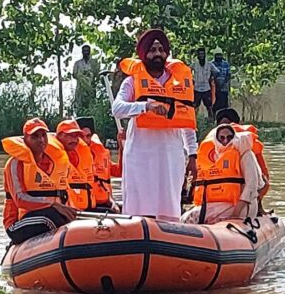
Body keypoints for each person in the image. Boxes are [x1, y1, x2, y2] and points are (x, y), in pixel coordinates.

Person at [112, 29, 198, 222]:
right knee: (139, 208)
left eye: (161, 49)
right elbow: (117, 108)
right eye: (152, 50)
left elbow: (188, 122)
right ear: (143, 54)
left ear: (166, 53)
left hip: (170, 155)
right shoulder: (132, 82)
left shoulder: (180, 82)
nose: (157, 54)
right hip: (140, 155)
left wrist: (192, 154)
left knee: (169, 207)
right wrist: (146, 106)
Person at [1, 118, 78, 244]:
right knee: (51, 218)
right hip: (18, 223)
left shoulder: (52, 163)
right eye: (35, 136)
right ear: (25, 139)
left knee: (69, 218)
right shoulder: (15, 164)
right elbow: (20, 198)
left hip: (50, 213)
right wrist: (52, 204)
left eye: (43, 135)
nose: (41, 140)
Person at [181, 124, 264, 225]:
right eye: (222, 138)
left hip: (242, 206)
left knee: (192, 216)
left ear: (234, 137)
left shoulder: (244, 153)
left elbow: (252, 185)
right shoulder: (210, 156)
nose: (225, 141)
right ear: (216, 139)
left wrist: (236, 213)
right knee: (186, 218)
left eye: (229, 137)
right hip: (214, 205)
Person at [212, 107, 270, 214]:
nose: (226, 141)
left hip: (240, 203)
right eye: (222, 138)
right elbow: (265, 179)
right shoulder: (248, 143)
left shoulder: (245, 147)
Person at [76, 116, 124, 212]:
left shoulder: (101, 154)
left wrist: (121, 148)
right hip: (85, 206)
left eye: (88, 136)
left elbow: (119, 171)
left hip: (106, 202)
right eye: (82, 136)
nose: (85, 140)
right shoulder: (72, 155)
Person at [51, 119, 96, 211]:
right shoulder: (48, 158)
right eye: (70, 136)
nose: (74, 140)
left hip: (83, 209)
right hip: (61, 210)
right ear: (59, 135)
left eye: (76, 137)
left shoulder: (79, 155)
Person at [191, 47, 219, 120]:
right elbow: (187, 70)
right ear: (197, 56)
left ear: (205, 55)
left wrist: (212, 77)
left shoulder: (209, 64)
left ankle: (211, 121)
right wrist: (191, 79)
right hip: (196, 88)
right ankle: (195, 121)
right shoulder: (194, 64)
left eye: (203, 54)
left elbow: (217, 72)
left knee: (209, 107)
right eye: (200, 54)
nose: (201, 56)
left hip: (206, 88)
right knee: (195, 106)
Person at [72, 44, 100, 114]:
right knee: (80, 106)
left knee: (91, 106)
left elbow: (97, 74)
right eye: (84, 51)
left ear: (90, 51)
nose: (86, 52)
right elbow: (74, 74)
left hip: (91, 88)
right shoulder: (77, 63)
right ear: (82, 52)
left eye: (87, 51)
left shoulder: (94, 62)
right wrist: (82, 75)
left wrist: (90, 74)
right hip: (80, 88)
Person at [211, 47, 231, 112]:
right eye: (217, 55)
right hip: (214, 89)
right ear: (214, 56)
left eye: (220, 55)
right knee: (215, 105)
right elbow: (210, 75)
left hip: (224, 89)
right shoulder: (211, 64)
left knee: (224, 105)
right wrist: (216, 83)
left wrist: (223, 83)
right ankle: (213, 119)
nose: (219, 56)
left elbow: (228, 75)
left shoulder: (226, 64)